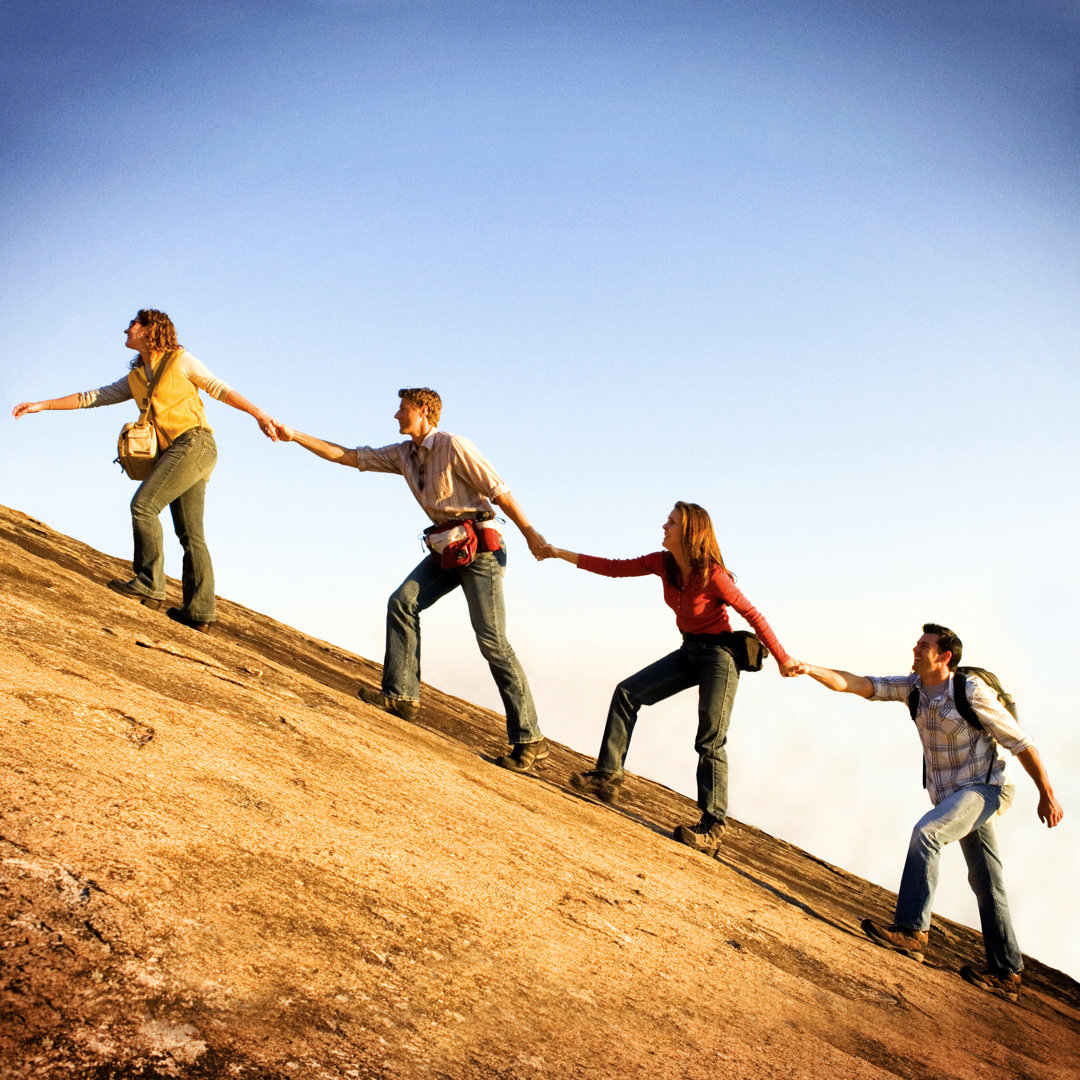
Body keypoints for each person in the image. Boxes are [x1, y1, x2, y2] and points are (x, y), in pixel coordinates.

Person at [273, 388, 551, 772]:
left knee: (492, 640)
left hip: (481, 549)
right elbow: (351, 456)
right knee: (403, 602)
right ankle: (402, 695)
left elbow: (498, 491)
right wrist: (295, 435)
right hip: (447, 547)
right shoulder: (404, 454)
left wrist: (531, 533)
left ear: (423, 412)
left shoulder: (453, 445)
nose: (395, 415)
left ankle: (530, 738)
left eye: (402, 409)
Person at [797, 624, 1064, 1003]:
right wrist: (807, 667)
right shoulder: (914, 688)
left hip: (986, 788)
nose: (916, 649)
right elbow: (858, 684)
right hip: (950, 794)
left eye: (924, 646)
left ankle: (912, 931)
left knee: (928, 833)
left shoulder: (970, 691)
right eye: (918, 644)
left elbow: (1021, 742)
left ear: (944, 657)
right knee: (987, 880)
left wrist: (1047, 794)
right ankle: (1007, 972)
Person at [542, 502, 799, 854]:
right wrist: (559, 553)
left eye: (672, 522)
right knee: (627, 693)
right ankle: (607, 776)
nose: (664, 526)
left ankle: (712, 825)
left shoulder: (714, 575)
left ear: (690, 532)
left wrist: (783, 658)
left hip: (719, 659)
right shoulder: (662, 563)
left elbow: (753, 614)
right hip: (689, 651)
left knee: (709, 739)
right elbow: (615, 569)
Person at [12, 309, 278, 633]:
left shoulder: (180, 360)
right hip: (178, 453)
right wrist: (42, 404)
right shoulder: (136, 377)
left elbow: (217, 388)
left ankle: (149, 584)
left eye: (134, 323)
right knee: (190, 533)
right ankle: (199, 612)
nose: (127, 328)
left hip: (194, 444)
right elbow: (93, 397)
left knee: (144, 506)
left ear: (153, 329)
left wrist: (258, 414)